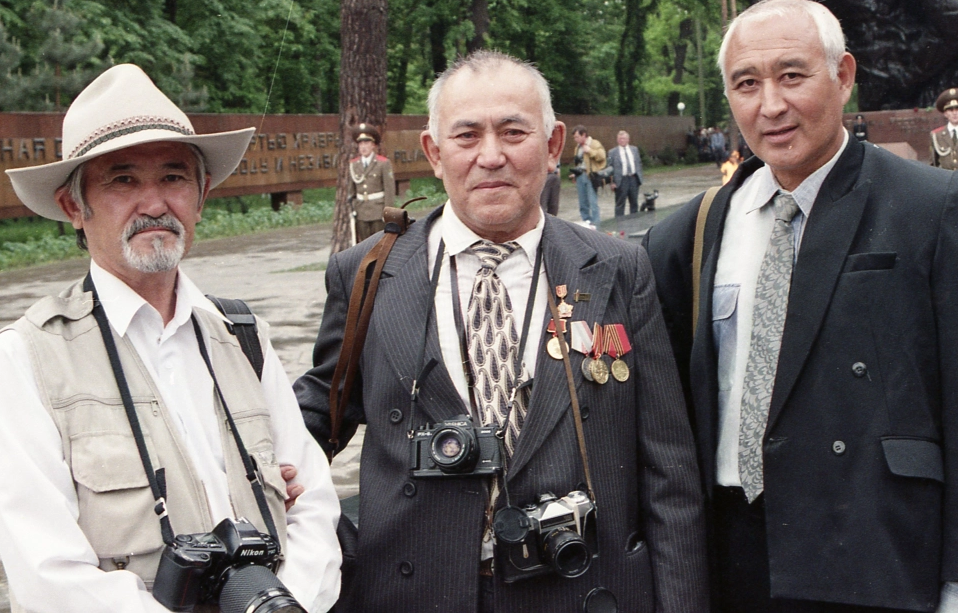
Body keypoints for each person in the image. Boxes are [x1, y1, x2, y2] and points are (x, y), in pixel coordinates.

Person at [295, 50, 708, 613]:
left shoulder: (618, 269)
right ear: (434, 153)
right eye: (466, 137)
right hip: (418, 593)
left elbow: (669, 471)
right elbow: (320, 413)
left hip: (582, 588)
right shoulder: (367, 274)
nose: (491, 157)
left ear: (554, 144)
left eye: (514, 132)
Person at [644, 0, 958, 613]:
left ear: (842, 75)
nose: (771, 105)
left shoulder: (932, 209)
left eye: (792, 76)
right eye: (746, 84)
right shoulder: (692, 231)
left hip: (874, 551)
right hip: (731, 556)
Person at [0, 64, 342, 613]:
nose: (153, 204)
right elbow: (47, 574)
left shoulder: (240, 336)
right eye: (122, 180)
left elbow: (314, 505)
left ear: (202, 195)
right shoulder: (27, 359)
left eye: (173, 177)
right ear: (74, 207)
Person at [348, 123, 396, 243]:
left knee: (379, 243)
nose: (363, 147)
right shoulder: (354, 165)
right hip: (361, 211)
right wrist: (353, 208)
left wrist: (387, 212)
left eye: (366, 143)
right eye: (361, 144)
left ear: (373, 145)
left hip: (378, 211)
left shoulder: (383, 163)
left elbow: (389, 190)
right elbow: (352, 191)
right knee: (364, 244)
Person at [570, 125, 606, 228]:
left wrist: (590, 151)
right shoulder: (577, 147)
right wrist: (575, 174)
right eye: (574, 137)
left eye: (577, 137)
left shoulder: (594, 143)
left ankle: (596, 224)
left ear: (584, 135)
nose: (575, 139)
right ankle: (586, 223)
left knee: (592, 201)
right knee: (583, 202)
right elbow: (579, 163)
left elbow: (602, 157)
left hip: (590, 176)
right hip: (580, 176)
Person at [608, 130, 643, 217]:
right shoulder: (612, 152)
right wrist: (612, 182)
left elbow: (638, 163)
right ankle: (620, 225)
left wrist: (639, 177)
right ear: (617, 140)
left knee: (634, 202)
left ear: (628, 139)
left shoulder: (634, 150)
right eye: (620, 139)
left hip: (633, 178)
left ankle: (635, 222)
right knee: (620, 204)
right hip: (621, 180)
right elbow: (609, 168)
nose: (622, 140)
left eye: (623, 138)